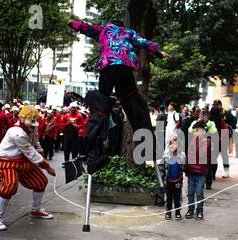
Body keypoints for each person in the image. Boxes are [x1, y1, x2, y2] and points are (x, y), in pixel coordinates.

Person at [68, 18, 169, 161]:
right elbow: (144, 42)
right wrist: (159, 53)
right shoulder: (128, 32)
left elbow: (86, 28)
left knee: (101, 103)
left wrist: (73, 23)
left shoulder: (103, 29)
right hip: (125, 68)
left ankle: (94, 149)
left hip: (108, 66)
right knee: (132, 99)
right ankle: (147, 145)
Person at [0, 105, 56, 231]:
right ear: (22, 119)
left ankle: (36, 210)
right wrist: (47, 166)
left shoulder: (32, 127)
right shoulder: (17, 133)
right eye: (31, 119)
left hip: (23, 160)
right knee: (10, 185)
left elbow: (35, 144)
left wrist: (42, 155)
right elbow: (30, 152)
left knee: (41, 181)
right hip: (7, 160)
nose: (33, 123)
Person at [185, 121, 211, 220]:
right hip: (191, 171)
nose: (196, 132)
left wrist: (199, 140)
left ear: (203, 131)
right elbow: (189, 155)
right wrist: (186, 168)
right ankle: (190, 209)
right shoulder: (192, 141)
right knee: (190, 192)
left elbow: (202, 155)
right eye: (195, 130)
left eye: (198, 130)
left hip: (201, 171)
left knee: (199, 192)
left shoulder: (207, 142)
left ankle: (199, 211)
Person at [162, 140, 185, 220]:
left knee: (177, 197)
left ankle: (177, 212)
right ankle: (168, 212)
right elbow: (162, 168)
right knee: (168, 197)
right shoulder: (166, 156)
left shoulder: (181, 156)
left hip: (178, 180)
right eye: (171, 144)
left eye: (175, 145)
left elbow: (184, 166)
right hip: (168, 181)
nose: (173, 146)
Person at [209, 100, 230, 179]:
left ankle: (212, 174)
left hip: (212, 141)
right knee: (223, 156)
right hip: (220, 141)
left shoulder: (209, 120)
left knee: (213, 158)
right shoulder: (221, 120)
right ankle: (225, 172)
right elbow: (224, 130)